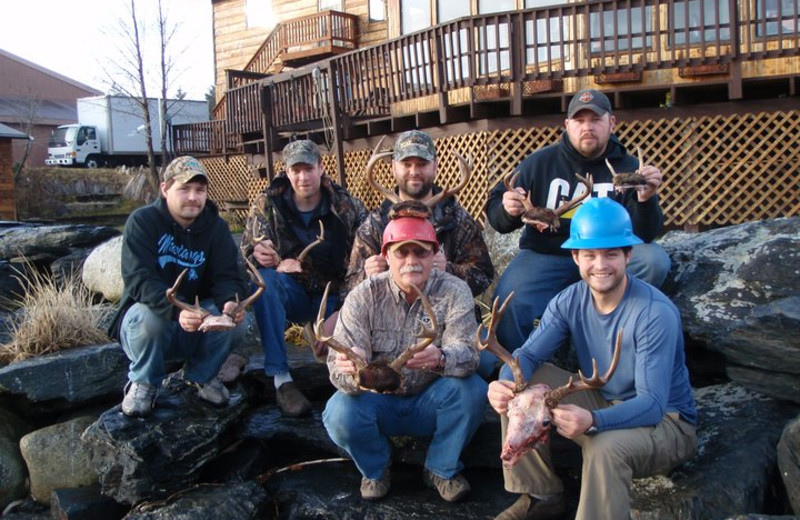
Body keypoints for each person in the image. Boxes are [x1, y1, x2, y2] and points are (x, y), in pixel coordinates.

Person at [487, 198, 697, 520]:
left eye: (611, 253)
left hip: (666, 422)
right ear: (575, 257)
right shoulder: (569, 300)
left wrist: (595, 422)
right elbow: (528, 355)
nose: (601, 265)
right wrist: (504, 381)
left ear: (628, 255)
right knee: (521, 388)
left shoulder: (654, 313)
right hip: (603, 399)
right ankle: (541, 495)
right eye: (590, 254)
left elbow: (653, 403)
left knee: (603, 447)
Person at [486, 88, 672, 353]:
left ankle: (616, 333)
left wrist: (646, 199)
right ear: (567, 125)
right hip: (548, 253)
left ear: (611, 123)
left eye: (595, 120)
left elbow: (645, 234)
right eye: (580, 120)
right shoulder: (539, 163)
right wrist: (507, 208)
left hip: (606, 256)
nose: (588, 127)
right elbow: (497, 217)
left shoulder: (629, 167)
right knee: (509, 300)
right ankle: (518, 369)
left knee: (653, 260)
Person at [322, 209, 487, 502]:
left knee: (472, 390)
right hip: (378, 403)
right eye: (402, 253)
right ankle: (376, 467)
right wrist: (351, 370)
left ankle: (441, 468)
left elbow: (470, 355)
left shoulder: (455, 291)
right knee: (339, 412)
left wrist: (441, 358)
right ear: (387, 256)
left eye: (420, 253)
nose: (411, 261)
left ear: (434, 255)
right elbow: (337, 372)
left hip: (430, 399)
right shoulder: (363, 296)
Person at [110, 156, 249, 418]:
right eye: (184, 189)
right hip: (148, 322)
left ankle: (202, 376)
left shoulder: (216, 228)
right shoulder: (143, 222)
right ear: (165, 189)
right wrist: (176, 311)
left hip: (196, 322)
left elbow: (227, 276)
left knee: (238, 323)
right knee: (151, 318)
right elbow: (139, 278)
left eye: (200, 191)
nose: (193, 198)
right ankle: (144, 382)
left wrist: (230, 302)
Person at [241, 139, 366, 417]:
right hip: (293, 295)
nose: (303, 177)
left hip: (335, 298)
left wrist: (343, 312)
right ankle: (281, 379)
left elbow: (366, 261)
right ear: (286, 172)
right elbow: (246, 254)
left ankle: (357, 384)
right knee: (264, 282)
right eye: (296, 170)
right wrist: (258, 255)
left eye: (308, 169)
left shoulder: (346, 206)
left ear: (321, 168)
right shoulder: (267, 204)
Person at [345, 129, 494, 298]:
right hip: (390, 319)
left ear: (435, 167)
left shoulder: (456, 220)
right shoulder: (375, 225)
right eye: (406, 164)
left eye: (422, 164)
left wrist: (449, 270)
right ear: (394, 168)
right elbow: (349, 287)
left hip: (445, 312)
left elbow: (484, 275)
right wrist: (367, 275)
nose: (414, 172)